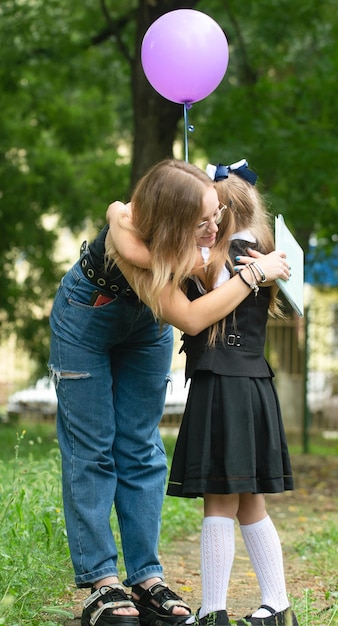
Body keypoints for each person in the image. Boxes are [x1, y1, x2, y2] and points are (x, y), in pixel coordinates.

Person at [48, 159, 290, 626]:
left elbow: (123, 210)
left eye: (216, 215)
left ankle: (145, 576)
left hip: (147, 327)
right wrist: (251, 276)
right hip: (89, 317)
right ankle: (102, 582)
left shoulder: (188, 238)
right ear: (172, 220)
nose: (214, 227)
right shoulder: (136, 244)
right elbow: (193, 318)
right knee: (94, 449)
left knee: (141, 446)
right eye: (203, 222)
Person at [164, 160, 299, 626]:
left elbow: (201, 292)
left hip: (226, 385)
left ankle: (213, 610)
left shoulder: (233, 256)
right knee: (248, 501)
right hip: (250, 384)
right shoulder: (258, 253)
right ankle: (277, 605)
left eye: (209, 216)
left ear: (223, 213)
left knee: (219, 498)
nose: (206, 226)